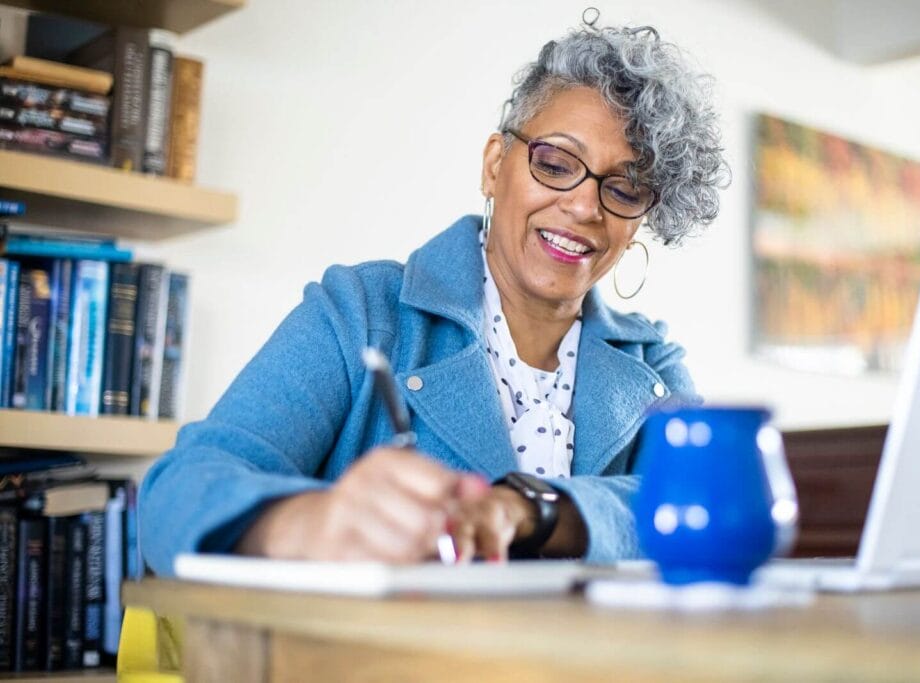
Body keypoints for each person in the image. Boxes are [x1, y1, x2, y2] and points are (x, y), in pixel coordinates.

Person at [139, 17, 729, 576]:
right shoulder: (362, 312)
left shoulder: (651, 362)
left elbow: (710, 510)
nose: (583, 206)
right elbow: (177, 492)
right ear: (495, 165)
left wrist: (533, 509)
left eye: (624, 189)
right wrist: (304, 524)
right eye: (554, 163)